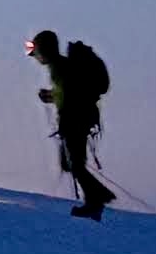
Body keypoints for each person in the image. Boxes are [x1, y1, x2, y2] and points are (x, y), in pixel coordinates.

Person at [26, 29, 115, 219]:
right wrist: (51, 96)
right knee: (71, 164)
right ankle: (96, 199)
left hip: (74, 120)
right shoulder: (62, 66)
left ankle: (97, 199)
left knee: (75, 164)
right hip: (80, 118)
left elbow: (68, 95)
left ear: (44, 50)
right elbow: (67, 92)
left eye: (37, 52)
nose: (36, 58)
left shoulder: (59, 67)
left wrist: (50, 97)